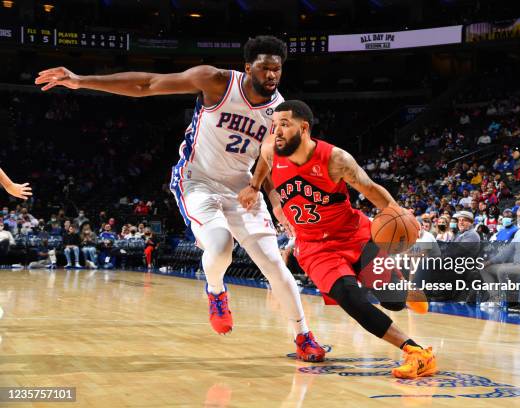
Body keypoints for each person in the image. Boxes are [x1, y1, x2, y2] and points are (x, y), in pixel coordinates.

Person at [36, 36, 324, 361]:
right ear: (247, 68)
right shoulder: (216, 81)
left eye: (277, 69)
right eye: (265, 68)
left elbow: (267, 157)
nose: (272, 75)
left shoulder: (278, 111)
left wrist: (273, 199)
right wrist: (81, 80)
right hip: (197, 181)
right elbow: (148, 84)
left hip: (243, 187)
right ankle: (216, 290)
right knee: (220, 247)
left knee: (274, 264)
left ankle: (303, 336)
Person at [238, 100, 436, 379]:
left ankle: (406, 293)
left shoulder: (335, 159)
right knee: (349, 297)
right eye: (274, 125)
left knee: (392, 301)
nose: (277, 131)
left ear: (304, 128)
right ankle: (416, 352)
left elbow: (370, 188)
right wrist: (255, 187)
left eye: (284, 124)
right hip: (315, 247)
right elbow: (263, 163)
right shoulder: (271, 150)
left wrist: (398, 212)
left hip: (352, 234)